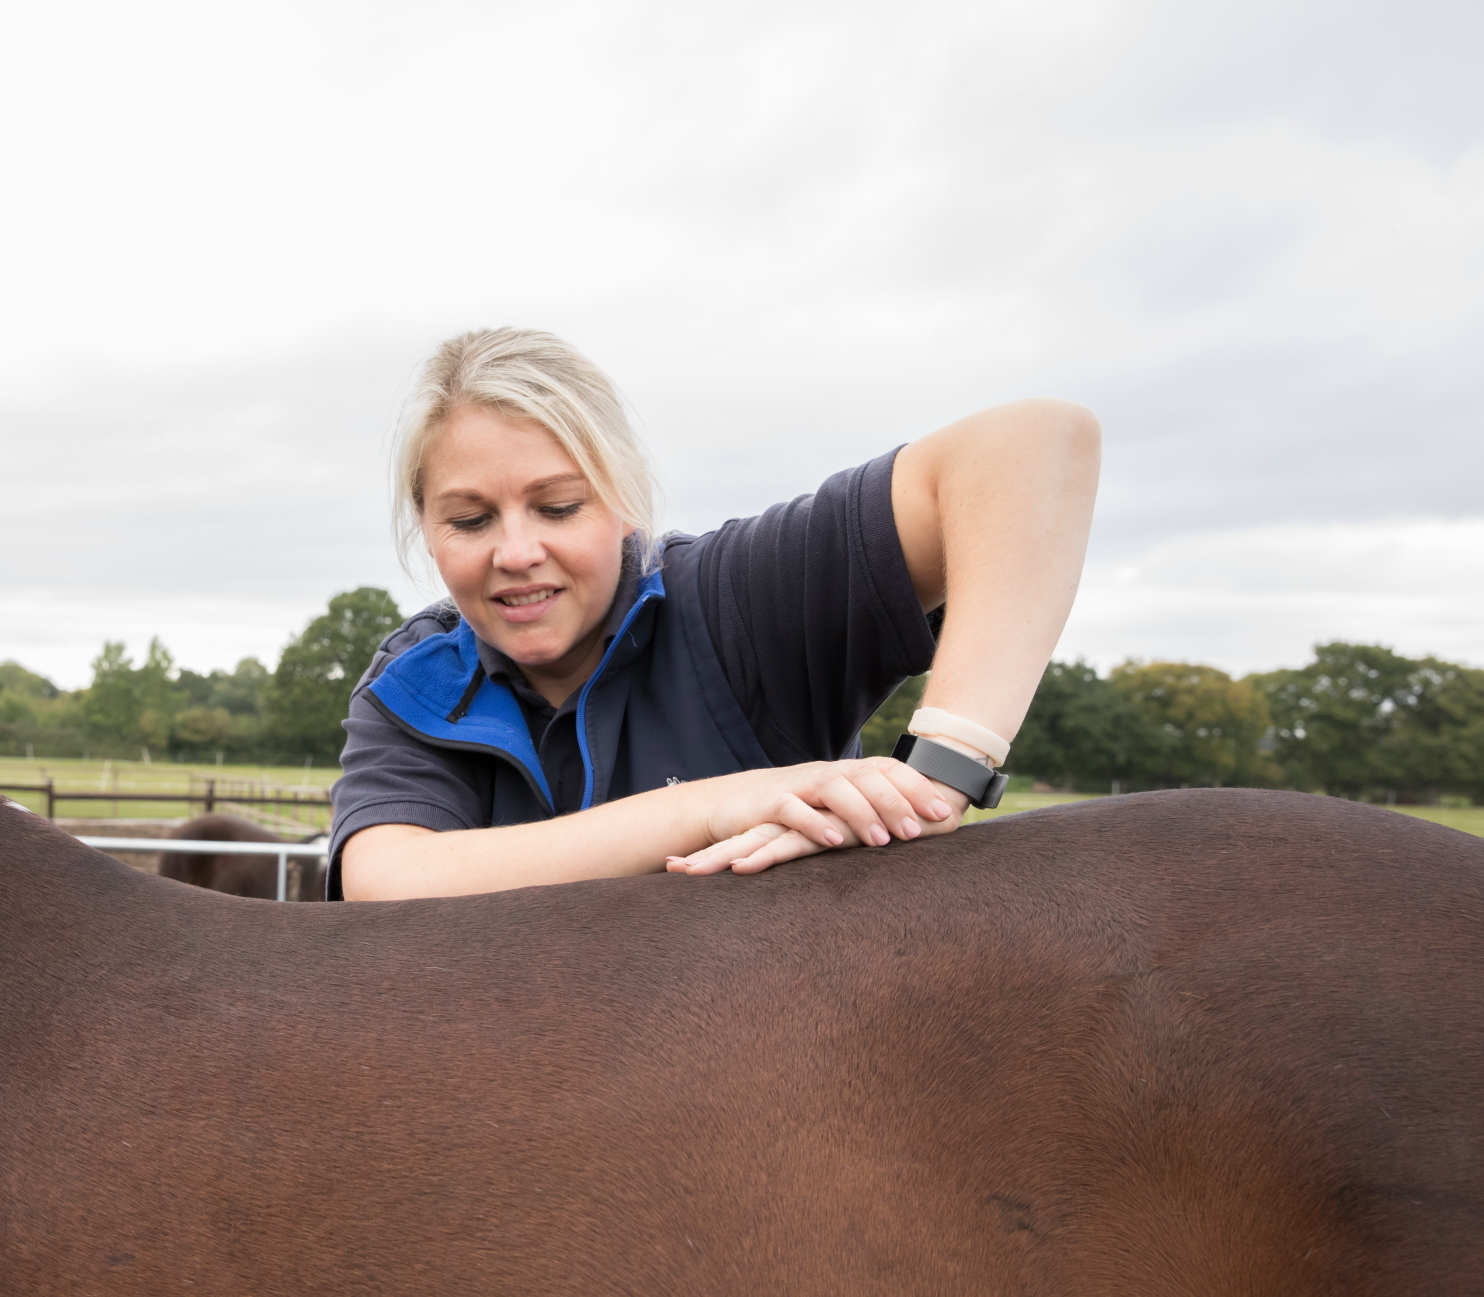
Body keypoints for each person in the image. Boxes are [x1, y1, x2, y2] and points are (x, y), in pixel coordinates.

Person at [328, 328, 1100, 901]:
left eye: (558, 506)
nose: (517, 550)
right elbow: (388, 880)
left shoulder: (736, 600)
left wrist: (944, 769)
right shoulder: (415, 684)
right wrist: (713, 804)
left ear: (625, 500)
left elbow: (1036, 446)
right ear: (425, 527)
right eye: (469, 521)